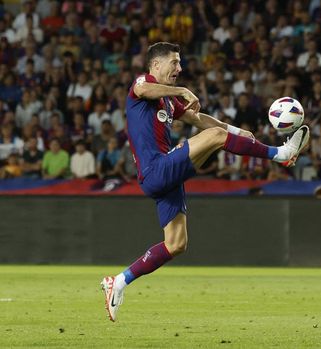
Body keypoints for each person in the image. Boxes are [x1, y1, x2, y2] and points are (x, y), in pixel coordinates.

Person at [100, 42, 309, 322]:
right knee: (215, 140)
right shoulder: (143, 85)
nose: (179, 68)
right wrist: (183, 90)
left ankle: (119, 281)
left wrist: (236, 131)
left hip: (165, 176)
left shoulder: (167, 101)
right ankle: (282, 154)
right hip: (155, 170)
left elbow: (199, 120)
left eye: (180, 63)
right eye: (174, 63)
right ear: (156, 65)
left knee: (176, 244)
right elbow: (142, 89)